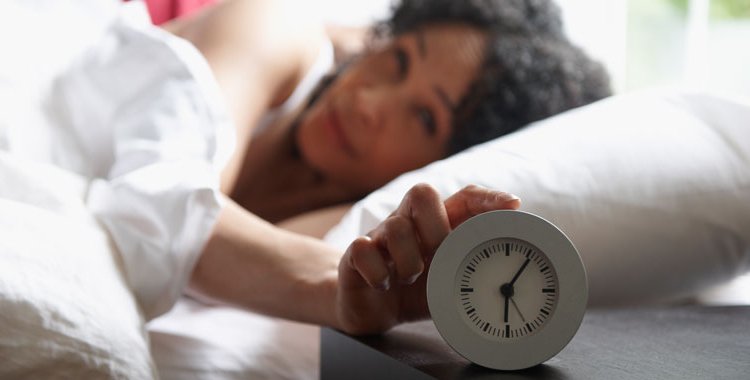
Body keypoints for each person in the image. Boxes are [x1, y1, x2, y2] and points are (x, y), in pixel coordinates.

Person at [57, 0, 608, 334]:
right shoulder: (277, 26)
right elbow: (159, 206)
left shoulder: (356, 221)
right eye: (396, 60)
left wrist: (364, 289)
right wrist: (332, 289)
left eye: (421, 116)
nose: (368, 102)